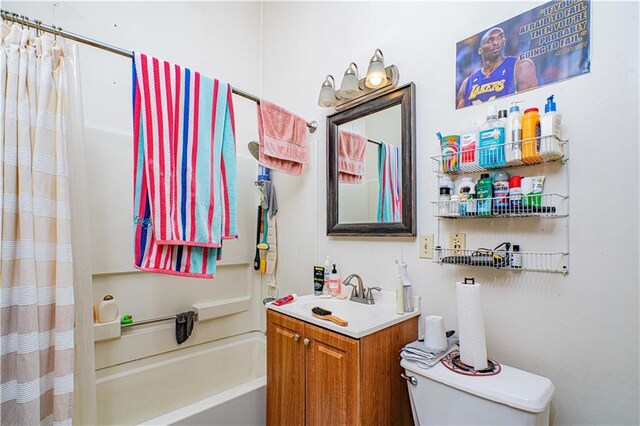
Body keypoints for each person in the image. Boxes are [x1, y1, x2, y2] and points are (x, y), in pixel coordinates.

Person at [457, 27, 538, 108]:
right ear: (480, 50)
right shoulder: (467, 84)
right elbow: (460, 118)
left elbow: (530, 105)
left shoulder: (520, 66)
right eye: (490, 40)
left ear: (504, 42)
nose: (496, 42)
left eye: (500, 37)